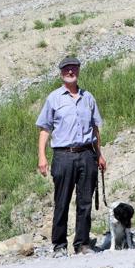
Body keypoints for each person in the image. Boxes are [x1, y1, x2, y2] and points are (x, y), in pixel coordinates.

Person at [36, 57, 107, 257]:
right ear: (61, 72)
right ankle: (59, 245)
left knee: (85, 201)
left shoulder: (88, 98)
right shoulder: (54, 98)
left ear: (78, 70)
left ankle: (82, 243)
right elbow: (44, 129)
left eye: (73, 68)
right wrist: (42, 157)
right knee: (62, 200)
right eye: (66, 69)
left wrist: (99, 155)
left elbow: (95, 129)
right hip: (63, 155)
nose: (70, 72)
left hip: (86, 154)